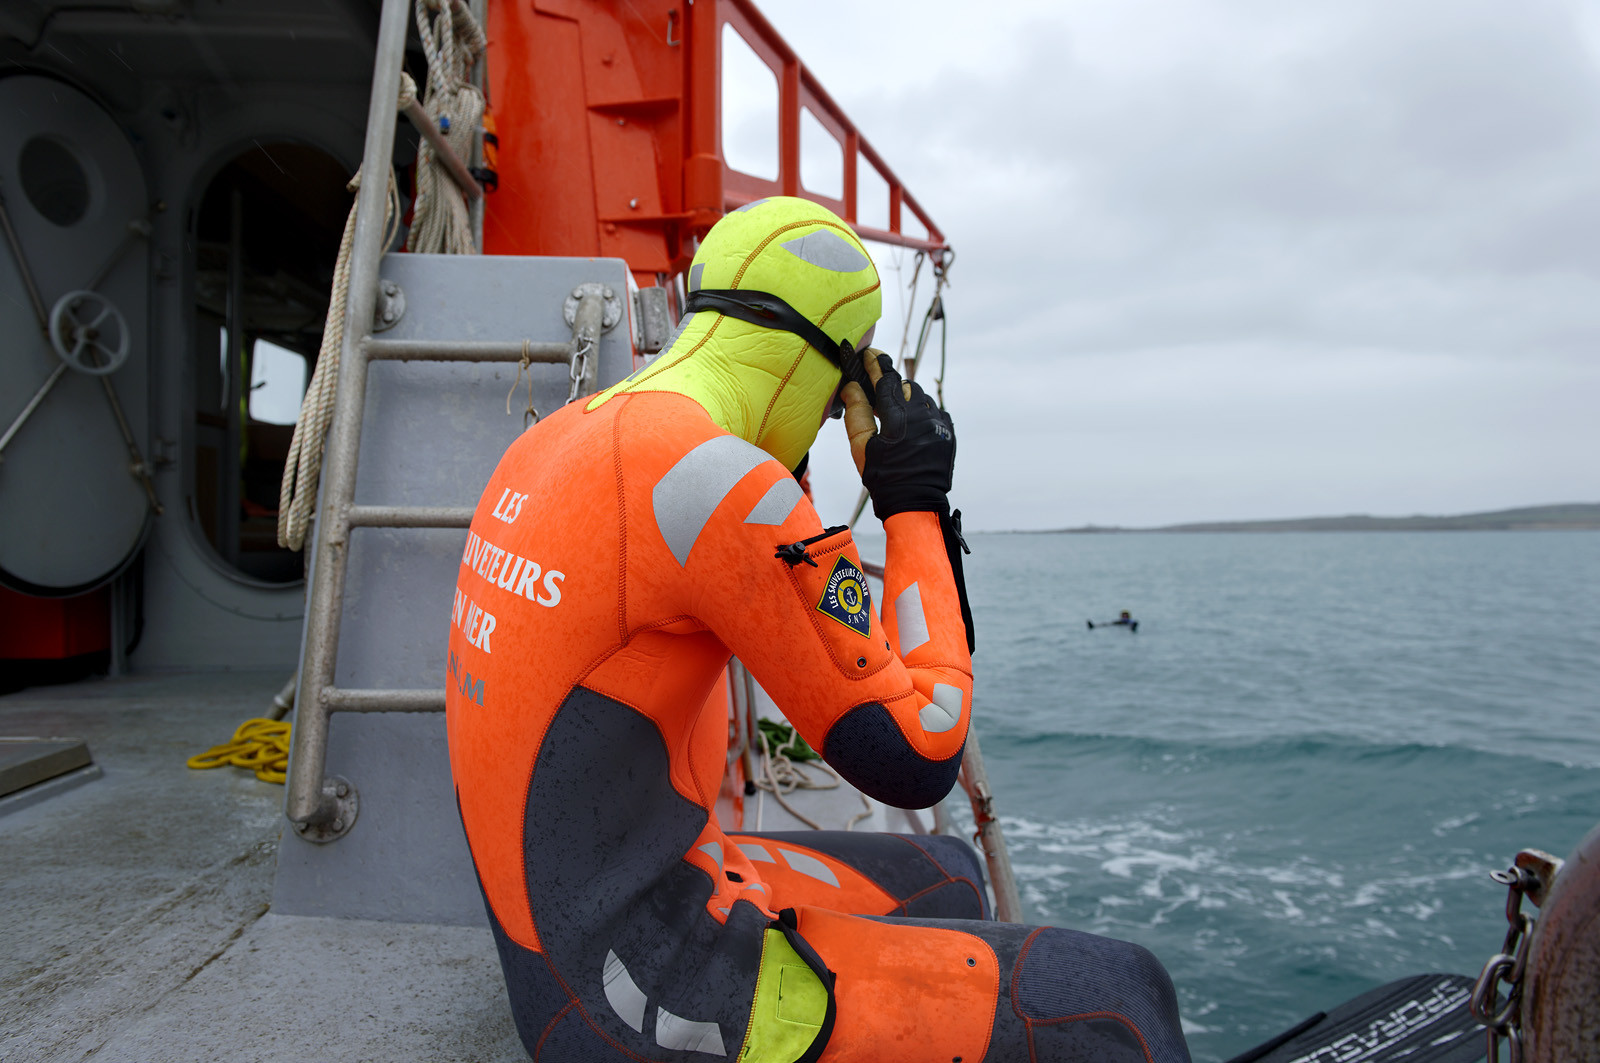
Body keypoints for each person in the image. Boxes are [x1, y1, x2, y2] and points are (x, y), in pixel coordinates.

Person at [446, 197, 1190, 1062]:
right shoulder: (712, 476)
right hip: (632, 989)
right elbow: (920, 753)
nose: (833, 424)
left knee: (948, 875)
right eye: (839, 404)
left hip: (559, 941)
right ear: (817, 370)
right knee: (1119, 999)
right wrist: (912, 502)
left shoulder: (556, 440)